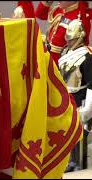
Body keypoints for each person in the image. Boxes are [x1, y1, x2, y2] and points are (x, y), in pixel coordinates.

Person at [58, 19, 92, 172]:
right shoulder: (65, 54)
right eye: (68, 39)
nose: (69, 42)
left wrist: (88, 107)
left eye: (72, 39)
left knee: (80, 131)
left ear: (80, 37)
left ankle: (79, 163)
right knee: (67, 130)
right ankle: (70, 161)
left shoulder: (87, 56)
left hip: (81, 96)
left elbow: (91, 83)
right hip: (67, 96)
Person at [14, 1, 91, 64]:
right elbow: (40, 14)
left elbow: (78, 48)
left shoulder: (81, 17)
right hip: (49, 58)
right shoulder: (59, 9)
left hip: (62, 62)